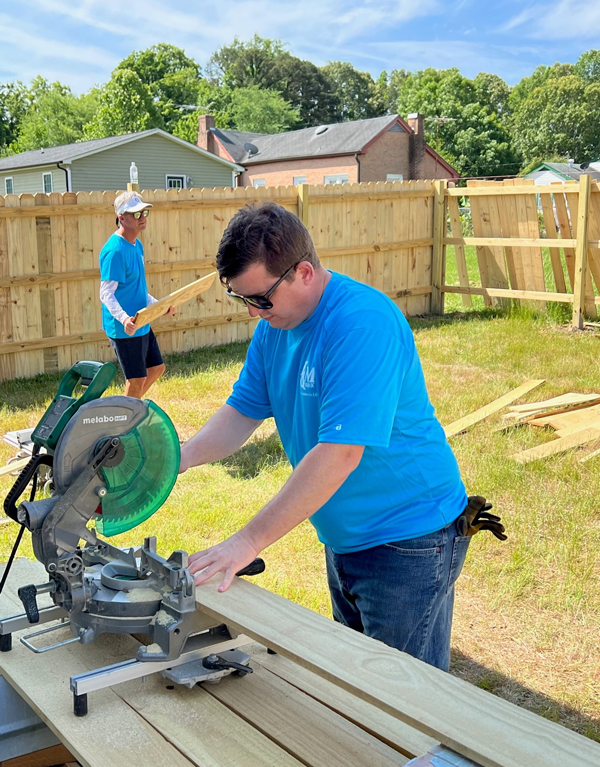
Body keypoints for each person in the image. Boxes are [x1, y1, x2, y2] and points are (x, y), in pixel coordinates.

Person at [179, 202, 490, 671]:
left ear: (303, 272)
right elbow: (239, 415)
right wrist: (175, 459)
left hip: (409, 536)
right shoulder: (275, 327)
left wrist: (246, 542)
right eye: (241, 299)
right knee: (360, 680)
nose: (252, 312)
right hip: (345, 537)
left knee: (407, 699)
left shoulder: (362, 323)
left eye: (260, 298)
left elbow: (340, 454)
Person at [99, 191, 173, 399]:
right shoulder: (115, 252)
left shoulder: (136, 245)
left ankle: (129, 406)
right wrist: (124, 319)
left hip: (142, 321)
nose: (143, 218)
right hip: (126, 328)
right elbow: (106, 294)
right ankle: (124, 421)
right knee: (136, 379)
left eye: (144, 213)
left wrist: (159, 305)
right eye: (136, 214)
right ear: (121, 218)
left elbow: (136, 287)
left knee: (157, 368)